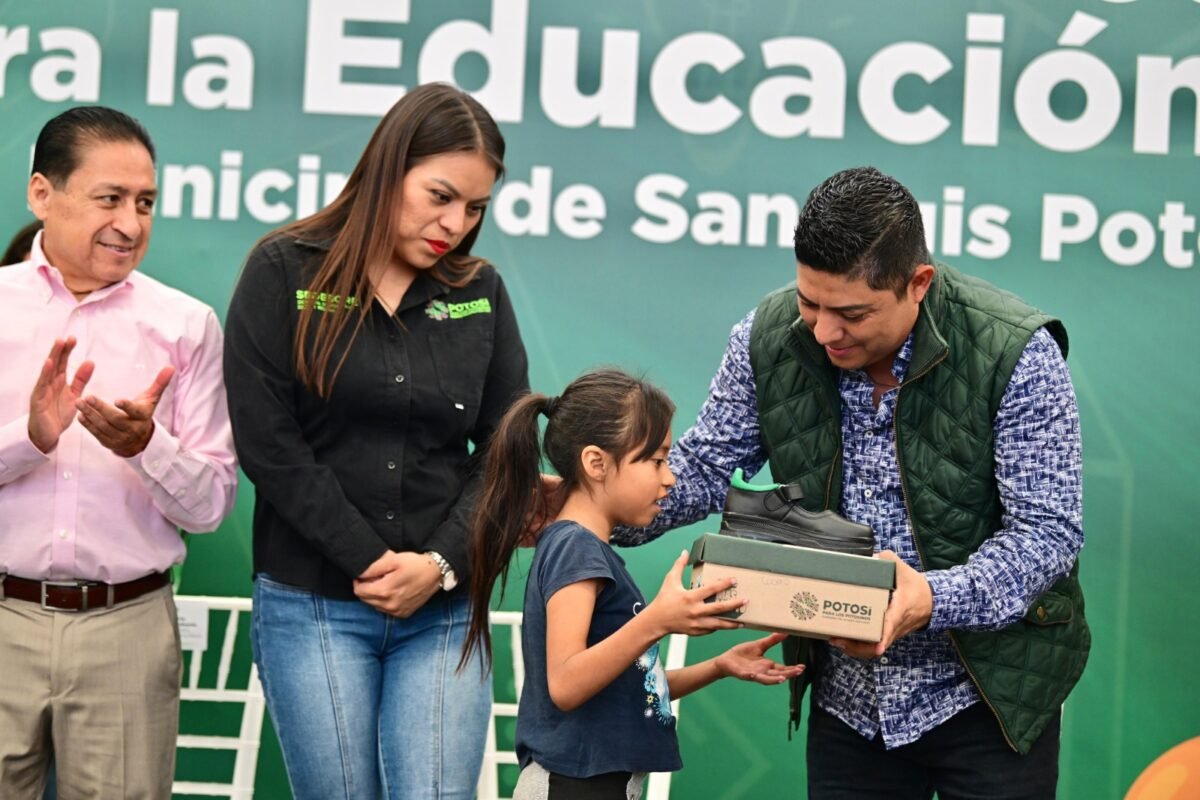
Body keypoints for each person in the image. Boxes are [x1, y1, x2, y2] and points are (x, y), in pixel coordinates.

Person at [609, 167, 1088, 799]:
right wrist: (593, 508)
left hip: (992, 698)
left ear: (918, 283)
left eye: (851, 313)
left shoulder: (1017, 352)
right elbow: (701, 468)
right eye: (810, 303)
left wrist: (929, 600)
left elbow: (1047, 534)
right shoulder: (767, 337)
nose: (823, 331)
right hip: (849, 707)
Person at [222, 82, 530, 800]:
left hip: (443, 607)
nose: (454, 224)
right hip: (312, 603)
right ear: (390, 168)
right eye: (440, 196)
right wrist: (369, 558)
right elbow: (270, 444)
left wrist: (440, 565)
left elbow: (504, 452)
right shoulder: (284, 269)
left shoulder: (481, 290)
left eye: (475, 208)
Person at [0, 106, 238, 798]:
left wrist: (147, 447)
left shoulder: (185, 326)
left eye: (145, 203)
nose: (130, 224)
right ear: (42, 194)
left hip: (127, 629)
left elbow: (212, 506)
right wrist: (29, 439)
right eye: (110, 199)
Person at [464, 368, 804, 800]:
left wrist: (719, 666)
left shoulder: (585, 549)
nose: (670, 477)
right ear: (596, 463)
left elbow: (630, 688)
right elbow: (566, 684)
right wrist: (657, 621)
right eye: (657, 460)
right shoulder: (575, 548)